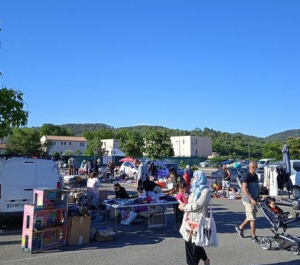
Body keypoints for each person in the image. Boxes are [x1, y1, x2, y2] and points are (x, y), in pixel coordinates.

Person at [178, 171, 211, 265]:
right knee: (188, 243)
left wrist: (185, 207)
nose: (192, 179)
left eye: (194, 177)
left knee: (196, 245)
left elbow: (198, 204)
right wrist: (182, 204)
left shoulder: (206, 191)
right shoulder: (193, 190)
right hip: (189, 220)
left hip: (199, 221)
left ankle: (205, 259)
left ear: (200, 178)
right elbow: (189, 202)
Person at [235, 161, 260, 244]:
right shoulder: (246, 176)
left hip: (254, 199)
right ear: (250, 167)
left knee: (251, 216)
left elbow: (256, 186)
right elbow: (244, 189)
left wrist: (258, 196)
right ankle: (253, 236)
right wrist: (251, 199)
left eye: (256, 167)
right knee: (253, 218)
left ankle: (240, 227)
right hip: (248, 200)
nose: (255, 169)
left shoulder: (255, 176)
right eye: (254, 167)